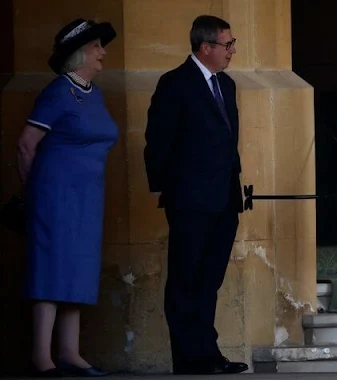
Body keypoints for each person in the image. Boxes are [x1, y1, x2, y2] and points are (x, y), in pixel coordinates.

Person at [144, 15, 246, 375]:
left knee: (209, 282)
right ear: (206, 47)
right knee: (185, 281)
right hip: (189, 201)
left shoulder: (227, 85)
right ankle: (188, 359)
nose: (232, 51)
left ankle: (208, 353)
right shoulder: (175, 84)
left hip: (223, 201)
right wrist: (170, 189)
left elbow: (227, 144)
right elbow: (158, 141)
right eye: (228, 44)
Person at [17, 18, 119, 377]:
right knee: (51, 270)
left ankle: (70, 352)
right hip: (55, 196)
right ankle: (41, 357)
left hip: (87, 197)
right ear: (80, 55)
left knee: (78, 268)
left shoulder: (96, 93)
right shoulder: (57, 92)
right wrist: (34, 193)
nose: (102, 52)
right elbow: (27, 145)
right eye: (96, 48)